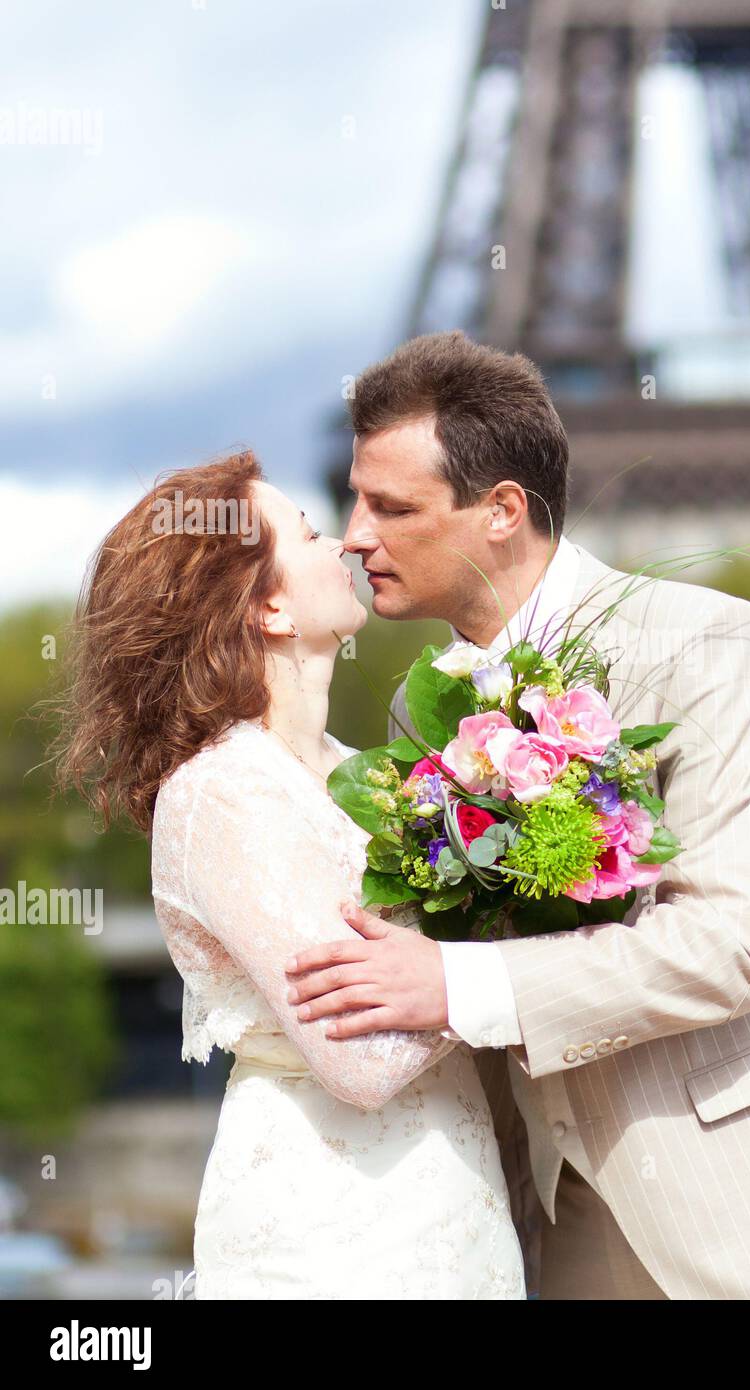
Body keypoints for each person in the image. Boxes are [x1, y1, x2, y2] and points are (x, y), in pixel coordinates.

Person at [288, 331, 750, 1299]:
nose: (353, 534)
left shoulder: (713, 644)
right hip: (569, 1217)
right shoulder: (416, 708)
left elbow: (730, 943)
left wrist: (453, 985)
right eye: (354, 500)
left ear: (502, 513)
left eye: (391, 507)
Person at [50, 451, 525, 1299]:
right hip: (343, 1237)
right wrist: (525, 922)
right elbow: (364, 1062)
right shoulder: (222, 793)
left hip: (450, 1210)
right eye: (309, 533)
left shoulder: (365, 769)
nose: (345, 542)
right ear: (266, 606)